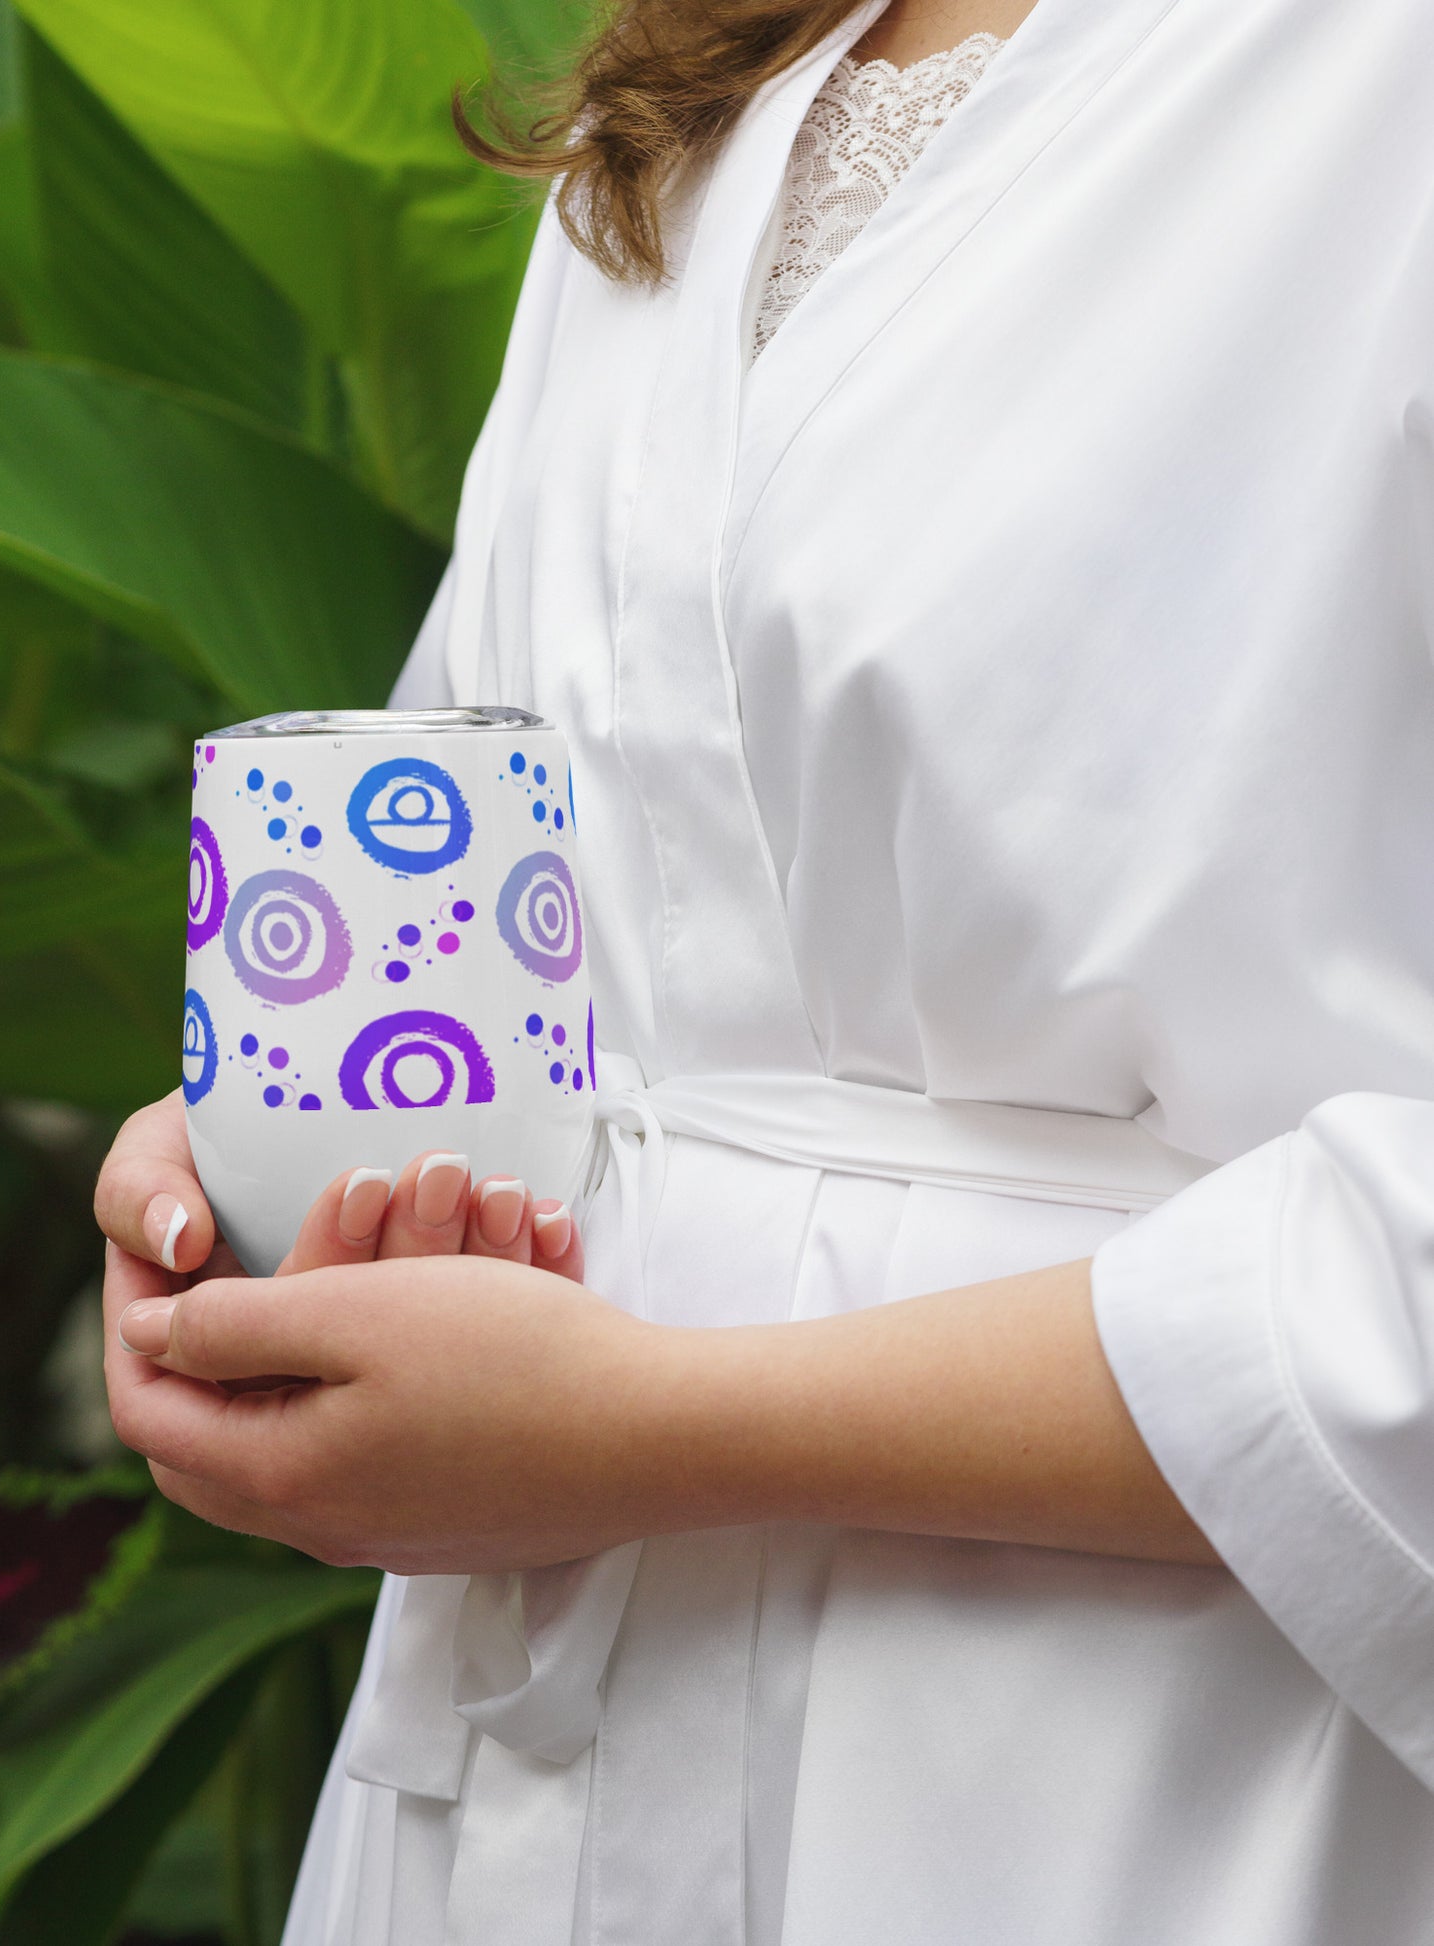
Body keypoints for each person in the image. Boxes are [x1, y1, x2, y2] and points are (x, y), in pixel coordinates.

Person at [94, 0, 1434, 1938]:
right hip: (536, 1769)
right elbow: (557, 868)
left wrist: (650, 1426)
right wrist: (274, 1169)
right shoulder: (706, 73)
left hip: (1151, 1774)